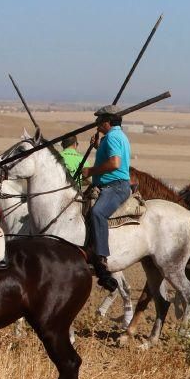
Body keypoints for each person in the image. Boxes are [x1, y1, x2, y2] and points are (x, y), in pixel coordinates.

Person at [81, 105, 132, 292]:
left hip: (115, 187)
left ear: (107, 122)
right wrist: (98, 146)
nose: (96, 123)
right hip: (109, 185)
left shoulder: (113, 137)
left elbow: (115, 163)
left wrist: (91, 171)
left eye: (99, 120)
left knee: (97, 212)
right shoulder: (113, 137)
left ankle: (101, 256)